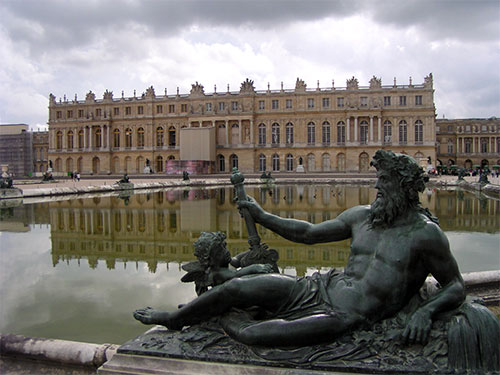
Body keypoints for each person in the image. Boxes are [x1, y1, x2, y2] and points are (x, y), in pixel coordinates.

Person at [134, 150, 465, 347]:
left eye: (384, 184)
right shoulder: (362, 217)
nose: (376, 187)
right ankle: (176, 318)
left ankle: (218, 319)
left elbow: (455, 286)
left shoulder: (425, 236)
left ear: (405, 189)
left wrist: (425, 311)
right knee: (236, 286)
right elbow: (307, 233)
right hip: (318, 288)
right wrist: (262, 216)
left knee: (253, 334)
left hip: (346, 315)